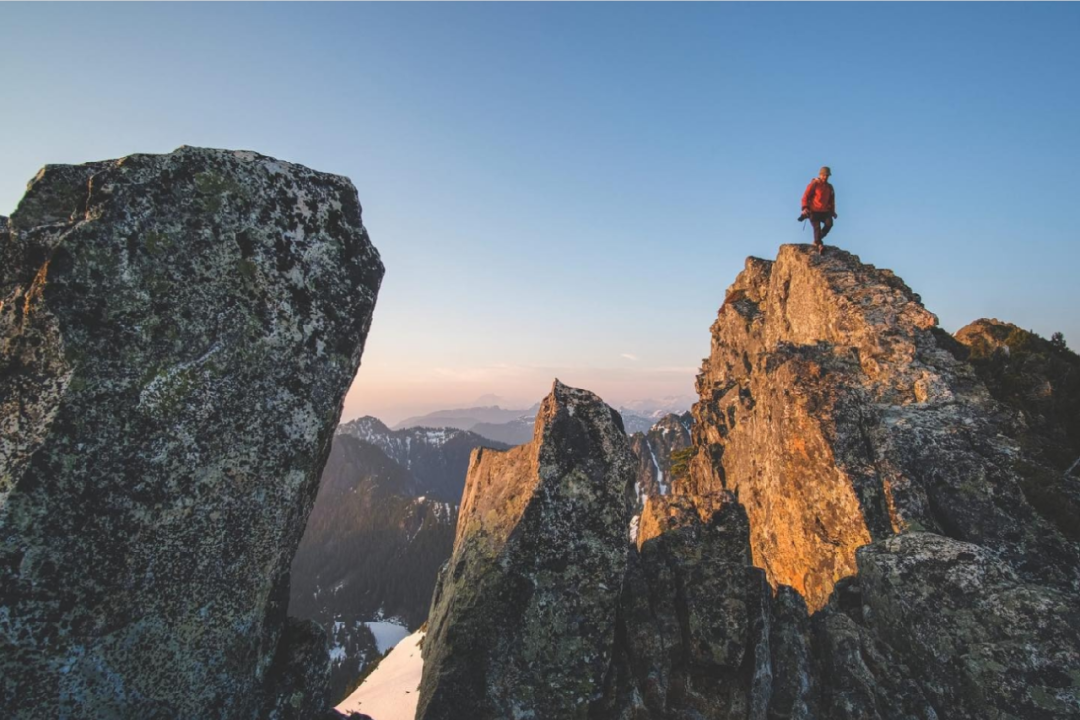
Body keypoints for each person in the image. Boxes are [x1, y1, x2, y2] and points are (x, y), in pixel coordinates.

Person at [799, 166, 837, 254]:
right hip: (813, 210)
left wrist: (833, 212)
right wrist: (805, 208)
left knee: (829, 224)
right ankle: (819, 245)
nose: (825, 177)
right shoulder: (814, 184)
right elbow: (805, 196)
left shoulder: (829, 187)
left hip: (825, 211)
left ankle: (817, 239)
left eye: (827, 175)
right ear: (820, 175)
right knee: (817, 228)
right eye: (824, 175)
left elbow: (832, 201)